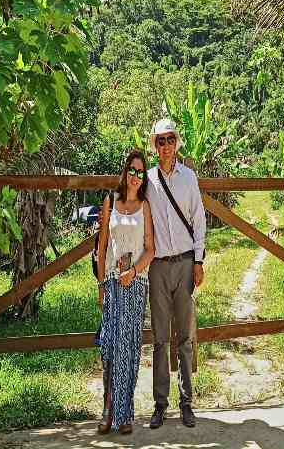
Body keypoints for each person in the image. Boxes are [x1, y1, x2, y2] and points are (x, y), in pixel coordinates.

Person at [146, 118, 207, 429]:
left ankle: (186, 403)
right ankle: (160, 405)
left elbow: (199, 220)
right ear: (154, 146)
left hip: (184, 264)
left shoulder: (189, 178)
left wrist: (198, 261)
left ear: (177, 142)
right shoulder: (147, 180)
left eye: (170, 139)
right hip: (157, 267)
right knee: (159, 339)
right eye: (160, 140)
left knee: (184, 337)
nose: (166, 145)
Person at [96, 150, 156, 435]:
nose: (135, 176)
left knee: (128, 348)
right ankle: (108, 407)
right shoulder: (111, 201)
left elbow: (150, 249)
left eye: (141, 172)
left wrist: (132, 273)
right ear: (125, 172)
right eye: (132, 170)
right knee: (109, 345)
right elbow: (102, 245)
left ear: (144, 178)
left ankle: (124, 414)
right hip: (111, 282)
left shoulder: (145, 206)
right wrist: (100, 283)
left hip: (134, 283)